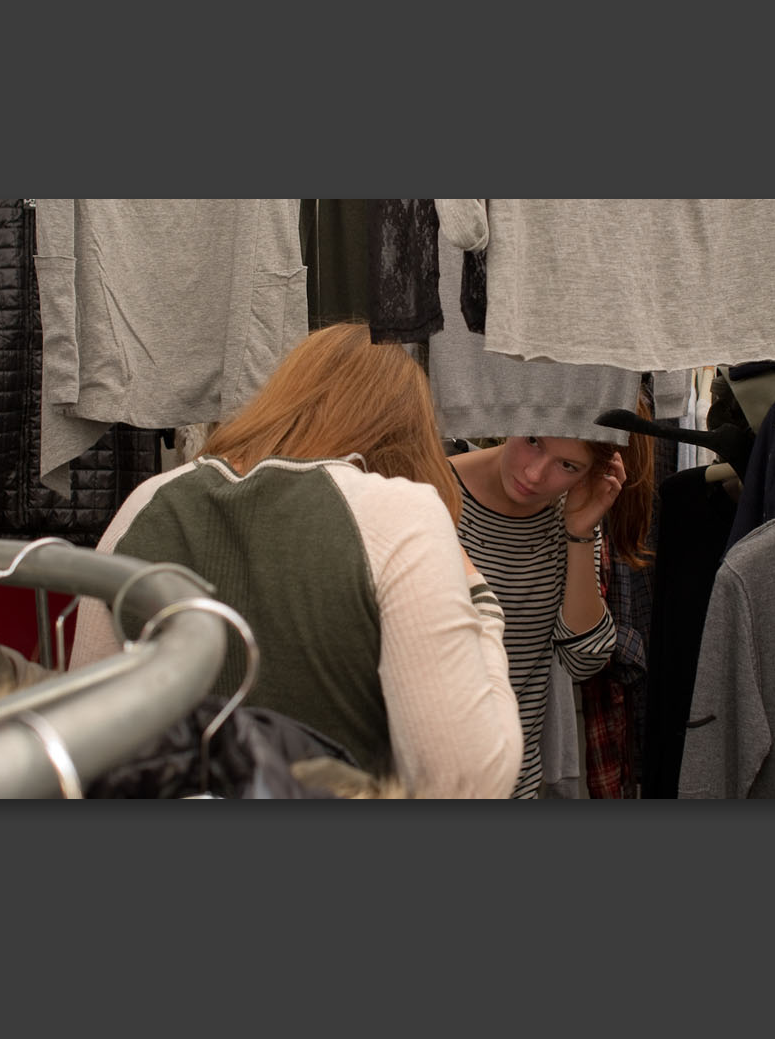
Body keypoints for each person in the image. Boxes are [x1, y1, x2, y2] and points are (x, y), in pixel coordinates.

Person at [68, 324, 521, 799]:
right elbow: (465, 784)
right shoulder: (400, 514)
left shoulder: (145, 503)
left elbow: (84, 728)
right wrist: (482, 605)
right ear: (406, 437)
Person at [448, 406, 656, 798]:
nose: (534, 474)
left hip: (512, 784)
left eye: (567, 465)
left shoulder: (572, 521)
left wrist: (579, 534)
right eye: (532, 441)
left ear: (594, 475)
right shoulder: (433, 490)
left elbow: (584, 660)